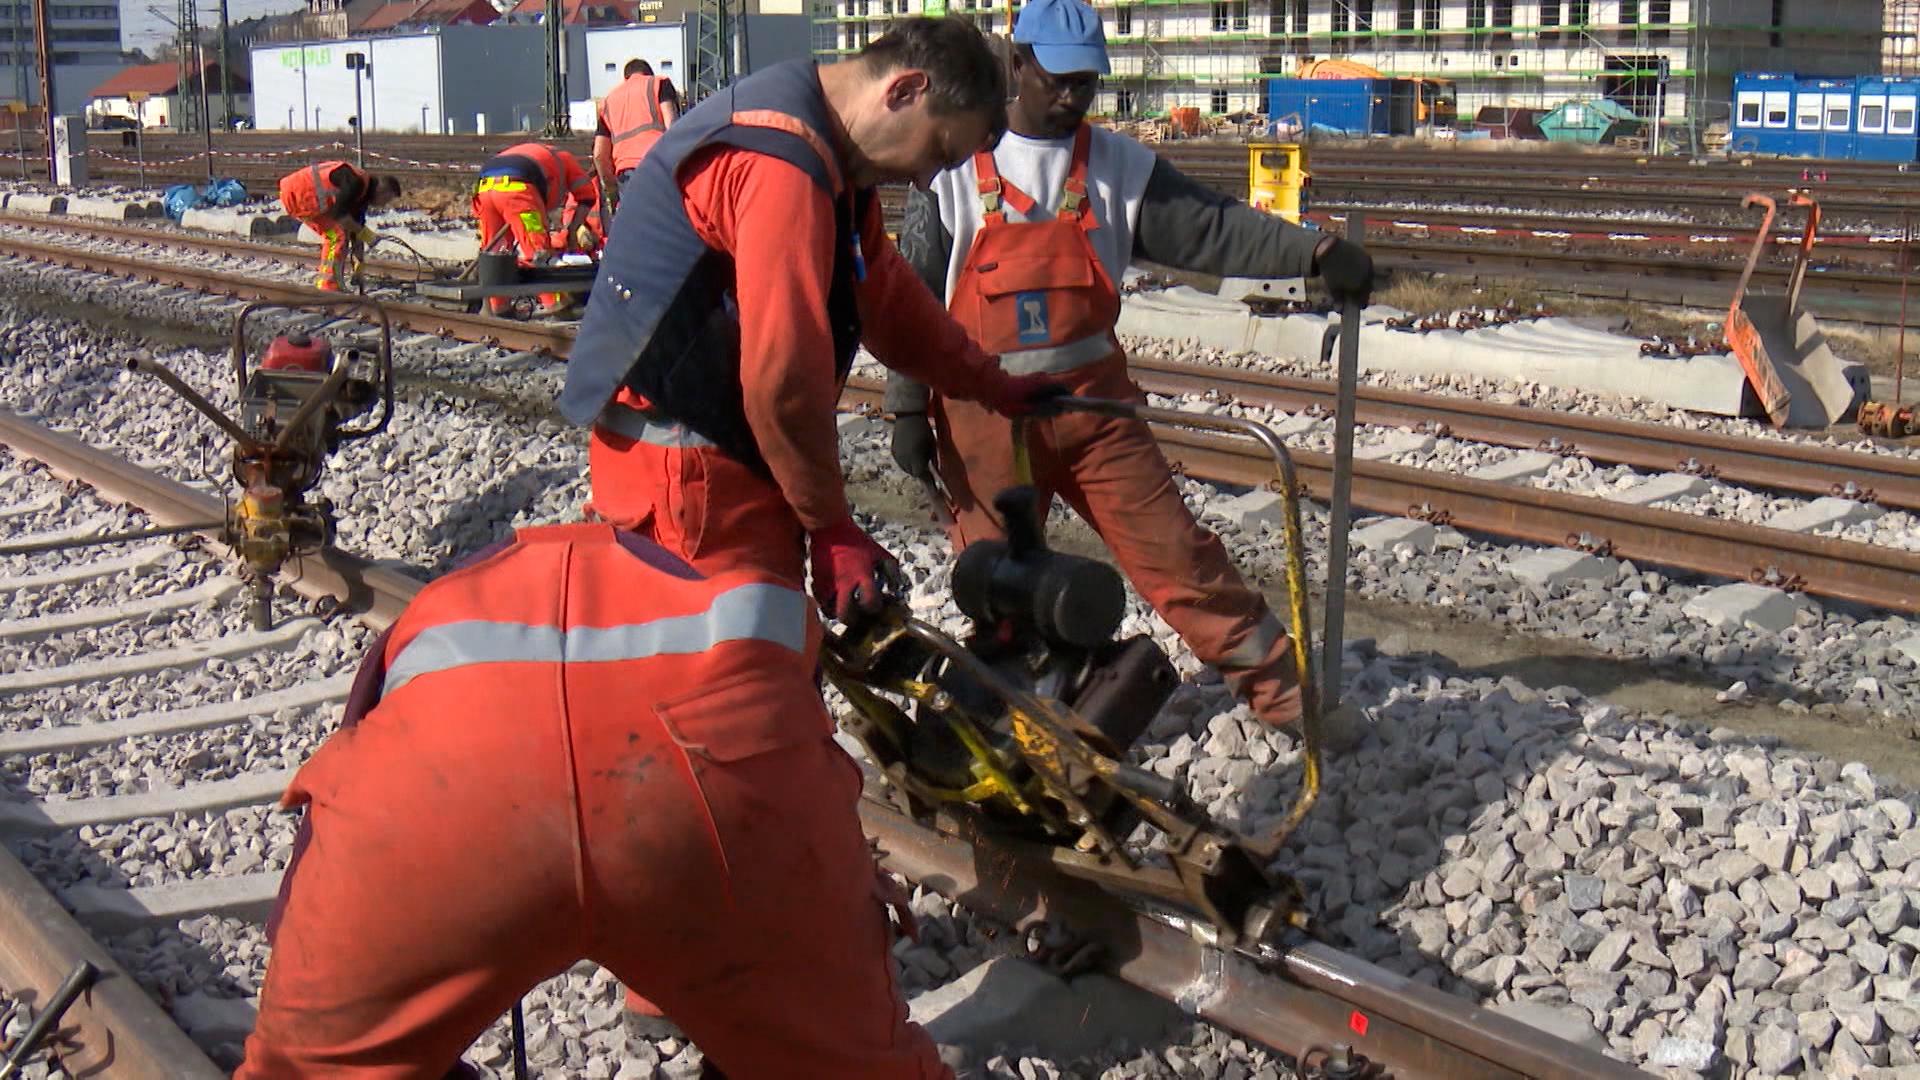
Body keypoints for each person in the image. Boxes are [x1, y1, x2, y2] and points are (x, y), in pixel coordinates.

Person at [235, 522, 950, 1079]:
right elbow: (812, 763)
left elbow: (324, 823)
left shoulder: (431, 616)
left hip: (439, 808)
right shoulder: (735, 609)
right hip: (708, 792)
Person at [884, 0, 1375, 732]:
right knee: (999, 586)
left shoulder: (1118, 166)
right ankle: (1010, 731)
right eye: (1058, 79)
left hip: (1096, 415)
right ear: (1018, 65)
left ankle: (1289, 701)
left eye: (1086, 82)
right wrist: (904, 409)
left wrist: (1315, 253)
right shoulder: (953, 165)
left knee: (1184, 560)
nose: (1073, 96)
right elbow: (911, 298)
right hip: (981, 421)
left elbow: (1213, 228)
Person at [560, 18, 1065, 626]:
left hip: (720, 461)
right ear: (904, 91)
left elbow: (887, 299)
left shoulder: (831, 154)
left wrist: (988, 382)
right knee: (726, 684)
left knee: (759, 664)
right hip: (686, 477)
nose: (927, 178)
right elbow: (782, 380)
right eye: (937, 151)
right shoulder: (782, 165)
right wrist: (831, 527)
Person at [473, 142, 598, 317]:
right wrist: (572, 231)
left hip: (484, 188)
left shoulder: (544, 156)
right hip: (519, 189)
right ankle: (556, 304)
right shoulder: (567, 160)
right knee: (539, 252)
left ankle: (498, 307)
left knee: (496, 253)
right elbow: (587, 196)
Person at [277, 161, 400, 292]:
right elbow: (340, 215)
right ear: (382, 191)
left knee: (340, 233)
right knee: (336, 236)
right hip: (298, 195)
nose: (383, 205)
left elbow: (356, 231)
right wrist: (368, 235)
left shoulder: (362, 193)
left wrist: (359, 269)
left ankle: (330, 282)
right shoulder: (355, 183)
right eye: (386, 201)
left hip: (302, 197)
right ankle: (327, 285)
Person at [593, 57, 681, 220]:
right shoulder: (657, 83)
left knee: (640, 226)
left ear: (626, 78)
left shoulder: (609, 101)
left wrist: (611, 190)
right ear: (648, 73)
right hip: (658, 164)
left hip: (626, 174)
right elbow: (673, 127)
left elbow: (599, 154)